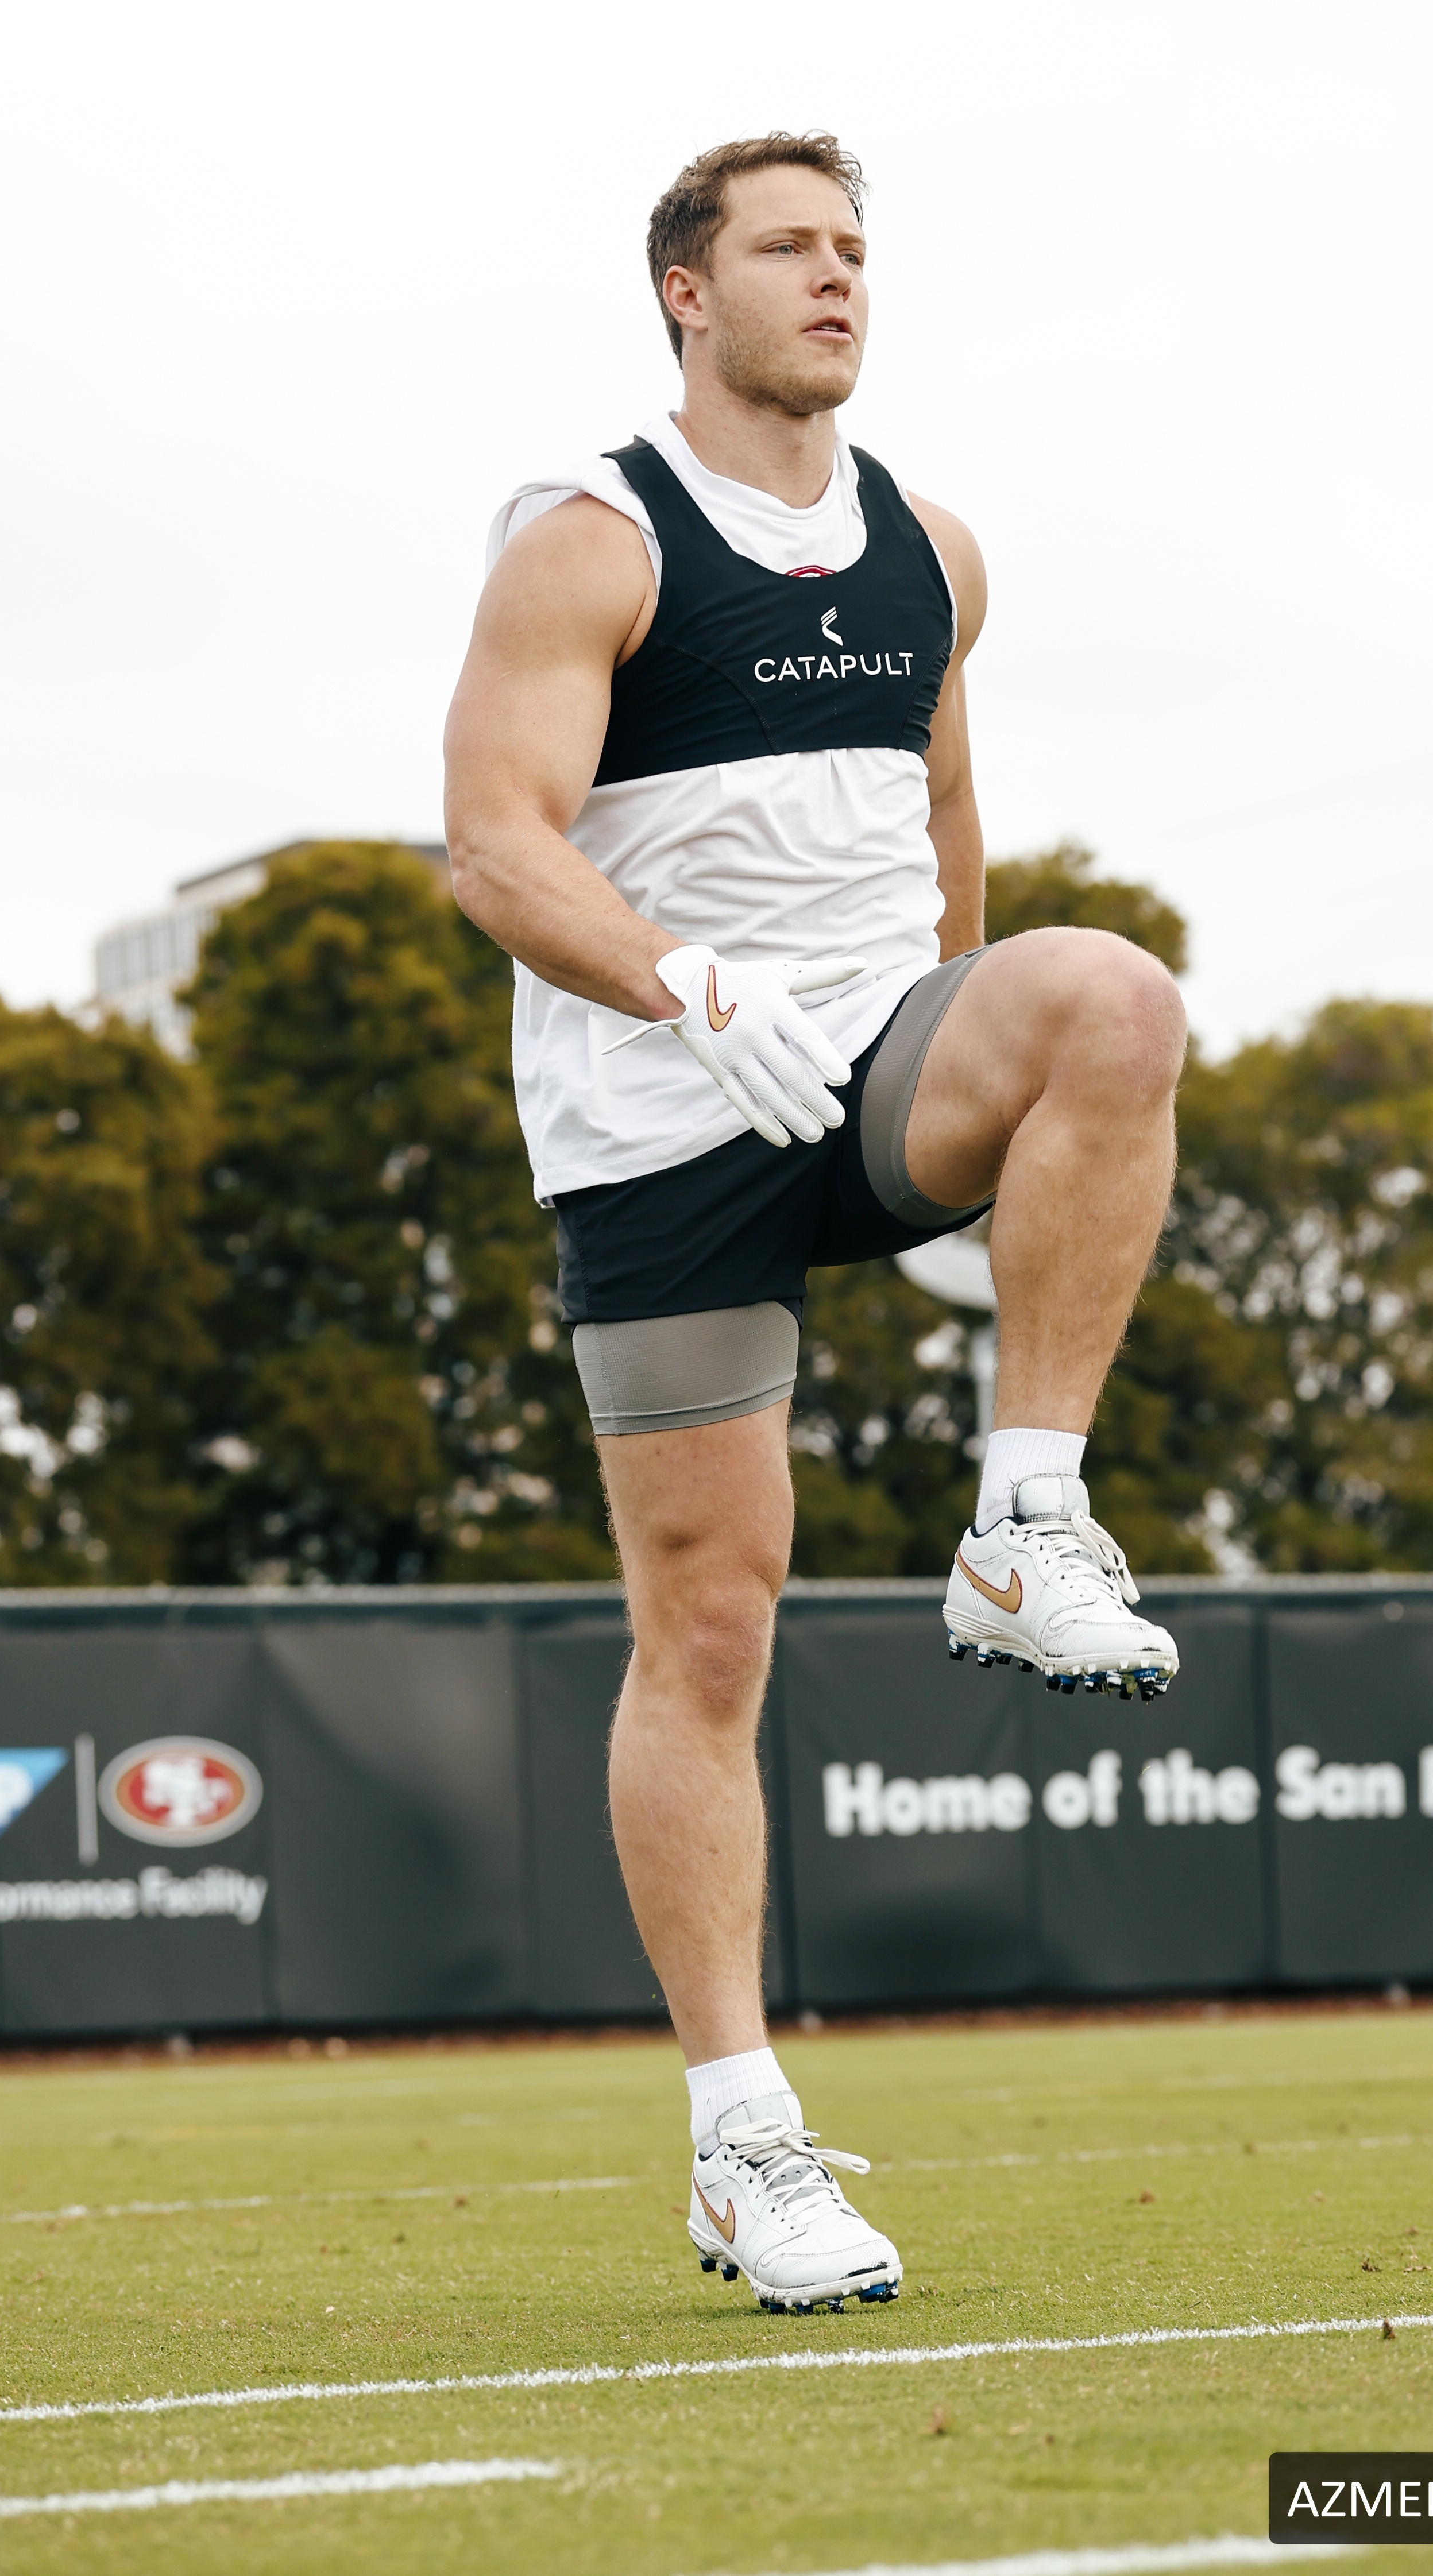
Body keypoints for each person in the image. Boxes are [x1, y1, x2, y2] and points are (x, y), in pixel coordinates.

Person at [443, 131, 1185, 2311]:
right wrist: (687, 981)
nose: (837, 276)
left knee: (1110, 997)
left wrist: (976, 1103)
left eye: (855, 246)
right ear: (687, 290)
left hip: (866, 1059)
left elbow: (948, 827)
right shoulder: (591, 537)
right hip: (656, 1116)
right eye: (788, 246)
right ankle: (744, 2145)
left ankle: (1026, 1518)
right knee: (711, 1626)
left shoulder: (933, 551)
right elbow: (495, 844)